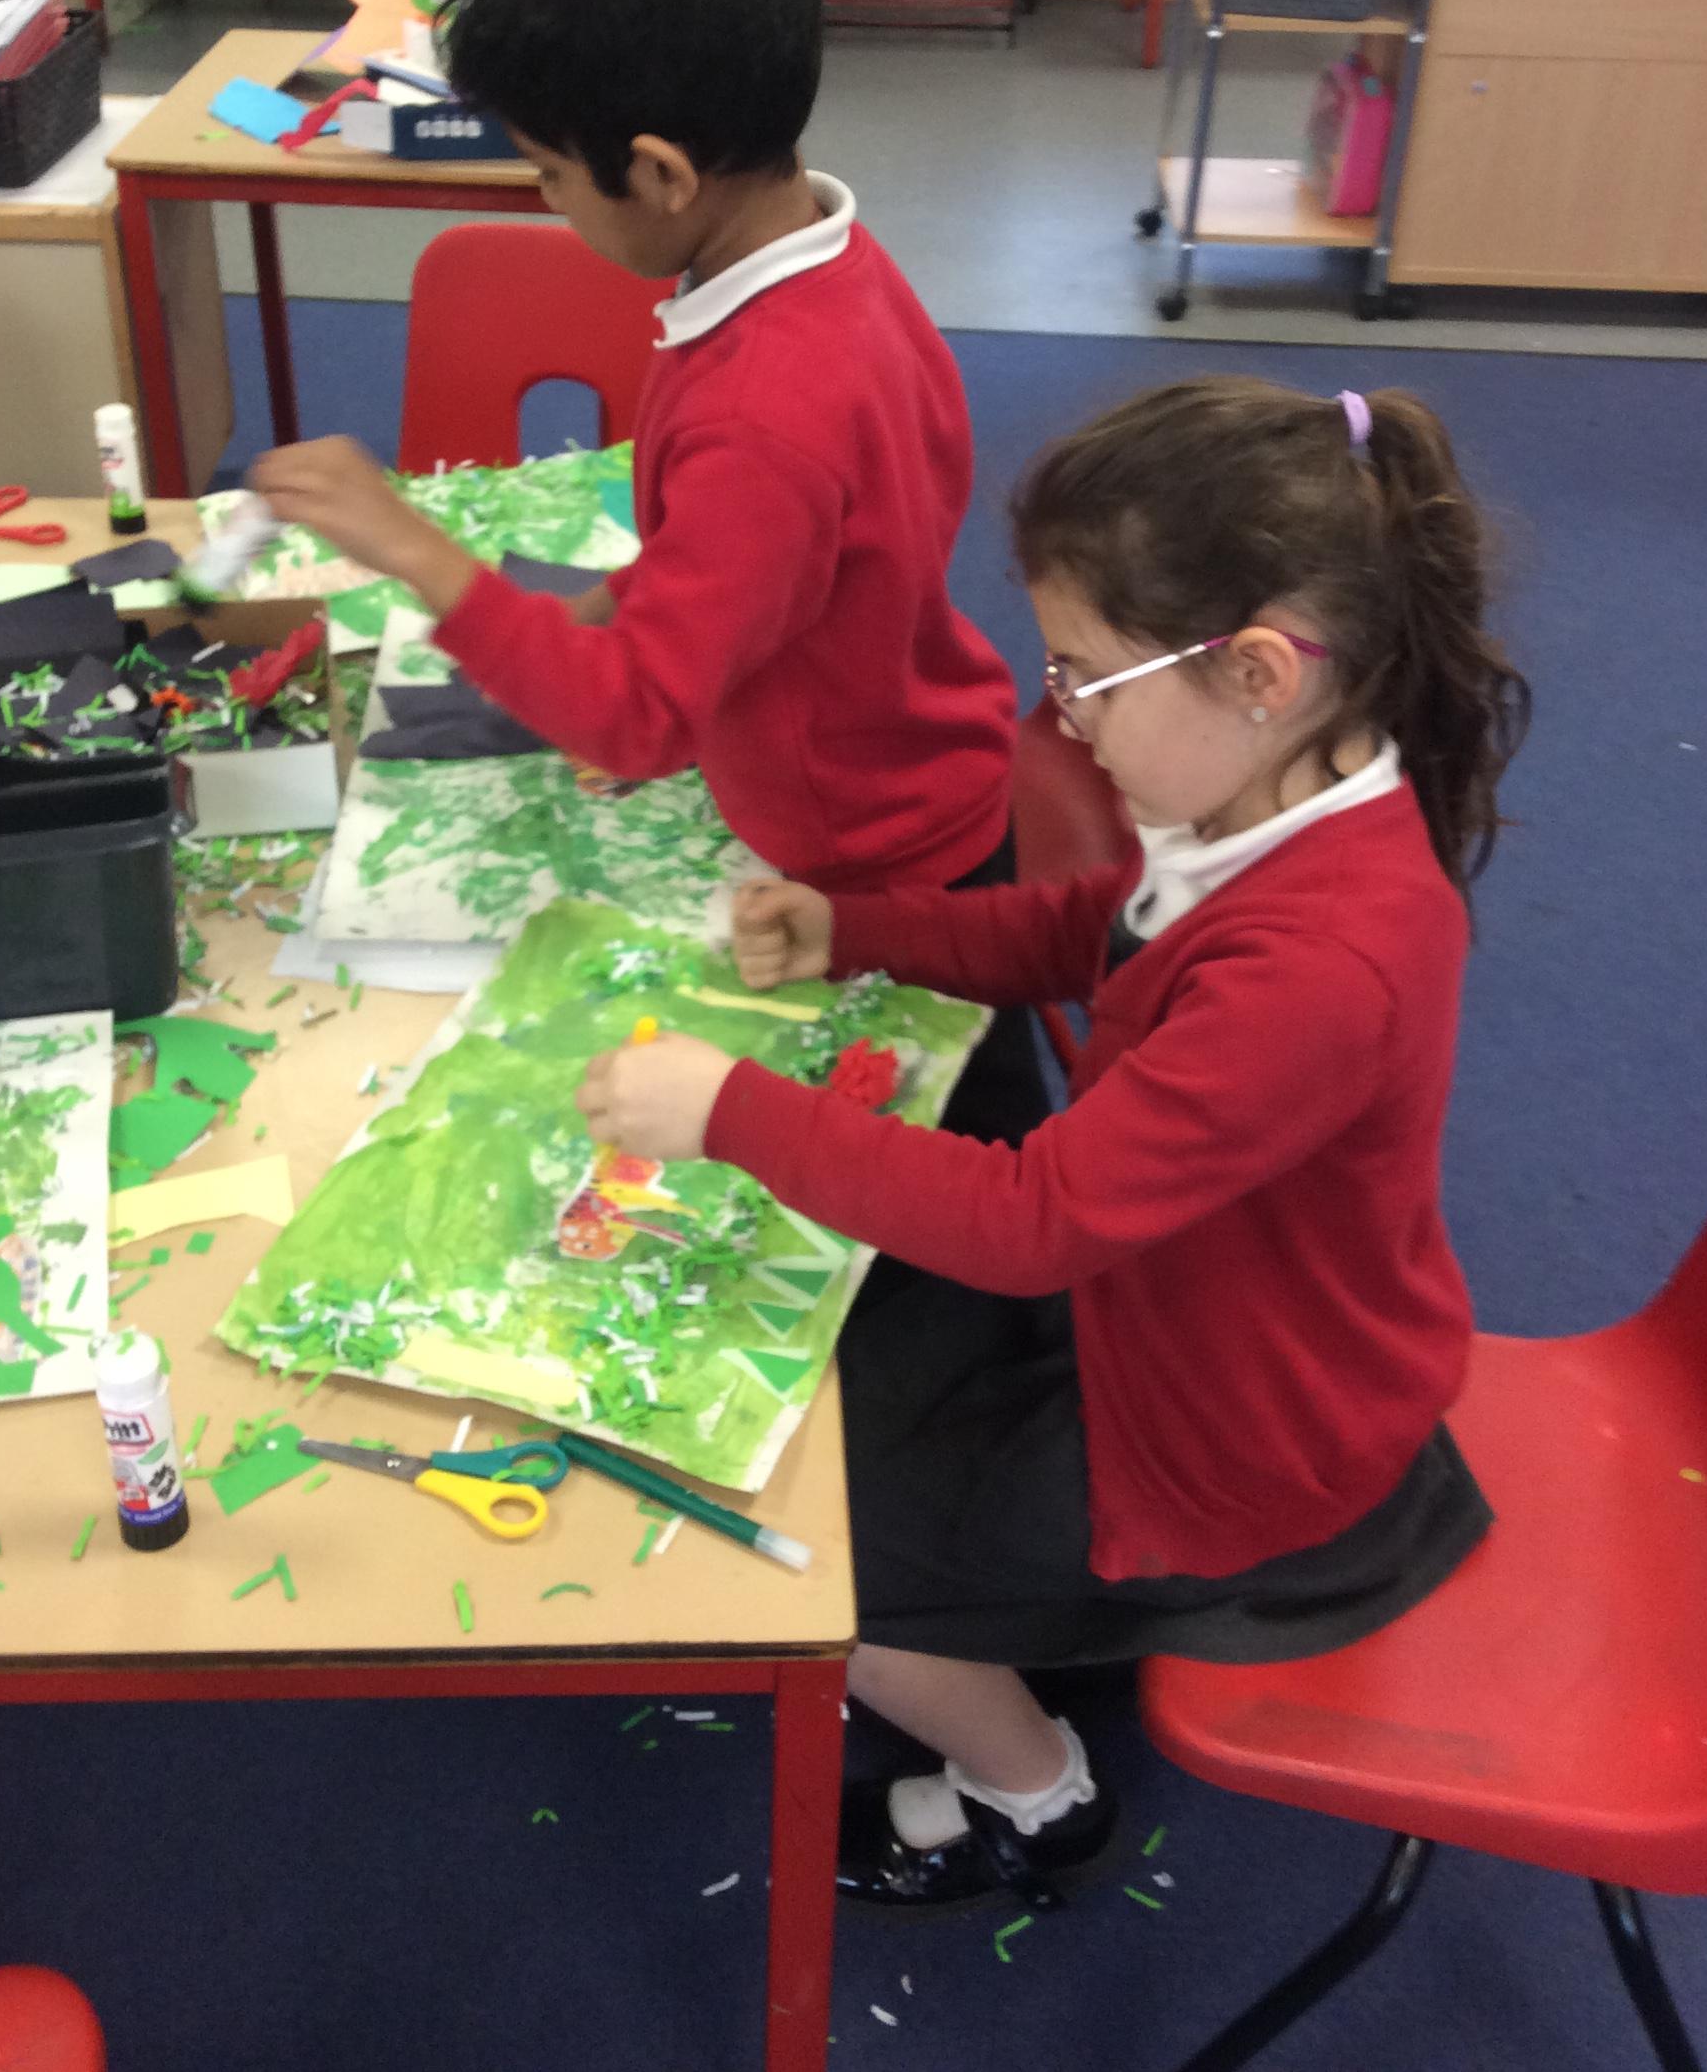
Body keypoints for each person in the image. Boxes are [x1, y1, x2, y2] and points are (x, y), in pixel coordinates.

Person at [576, 375, 1532, 1910]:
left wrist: (729, 1111)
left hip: (1234, 1439)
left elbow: (1038, 1222)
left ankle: (1034, 1799)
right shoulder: (1282, 792)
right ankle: (1032, 1626)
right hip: (1181, 1316)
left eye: (1087, 678)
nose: (1063, 718)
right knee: (841, 1364)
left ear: (1259, 673)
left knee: (794, 1544)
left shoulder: (1323, 964)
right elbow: (1100, 929)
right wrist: (860, 932)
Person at [251, 0, 1042, 1146]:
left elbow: (634, 727)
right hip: (902, 784)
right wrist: (631, 613)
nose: (546, 200)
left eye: (551, 175)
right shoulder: (819, 263)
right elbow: (785, 561)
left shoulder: (766, 407)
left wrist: (413, 547)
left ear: (664, 175)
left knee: (941, 1197)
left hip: (880, 871)